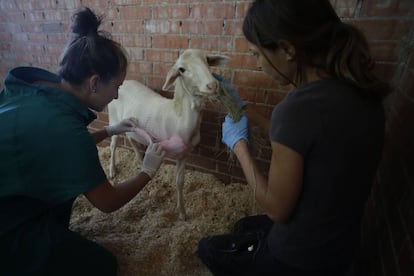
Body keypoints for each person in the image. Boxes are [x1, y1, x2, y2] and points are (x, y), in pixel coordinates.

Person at [198, 0, 389, 275]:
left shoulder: (297, 108)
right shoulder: (362, 92)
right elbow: (301, 137)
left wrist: (238, 145)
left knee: (209, 247)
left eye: (257, 54)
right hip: (338, 246)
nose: (258, 63)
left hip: (297, 259)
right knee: (244, 227)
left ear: (287, 49)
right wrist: (244, 108)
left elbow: (277, 210)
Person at [0, 7, 165, 276]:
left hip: (11, 189)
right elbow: (107, 202)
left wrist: (109, 131)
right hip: (6, 221)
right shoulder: (63, 126)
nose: (116, 95)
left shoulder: (42, 89)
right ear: (95, 82)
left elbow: (58, 147)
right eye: (117, 86)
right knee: (102, 266)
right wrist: (147, 171)